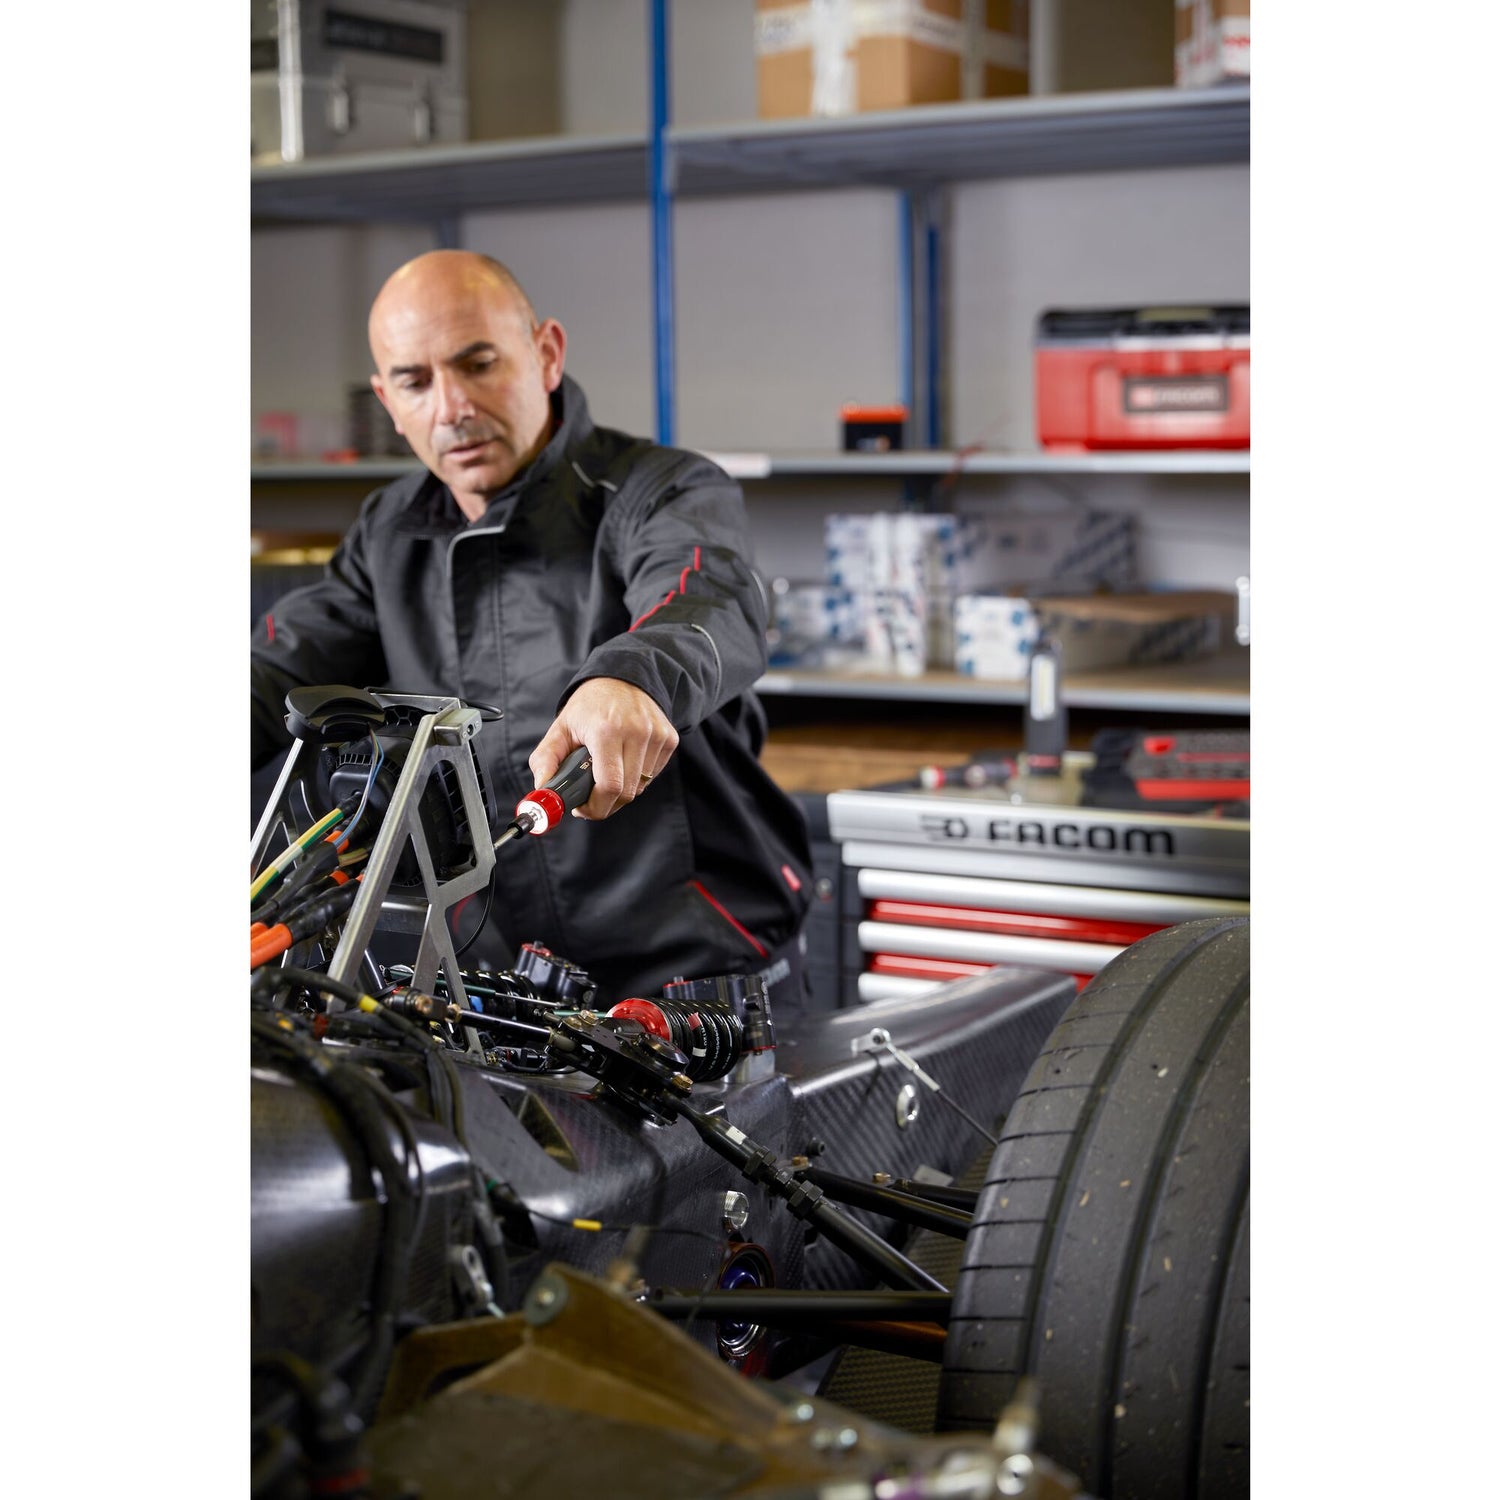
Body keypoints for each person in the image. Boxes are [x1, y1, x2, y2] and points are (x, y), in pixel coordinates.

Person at [252, 250, 813, 1007]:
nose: (451, 406)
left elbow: (707, 597)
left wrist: (631, 678)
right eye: (416, 382)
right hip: (506, 991)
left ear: (546, 354)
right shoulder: (389, 531)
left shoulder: (662, 489)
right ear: (388, 401)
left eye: (478, 363)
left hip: (697, 981)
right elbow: (280, 667)